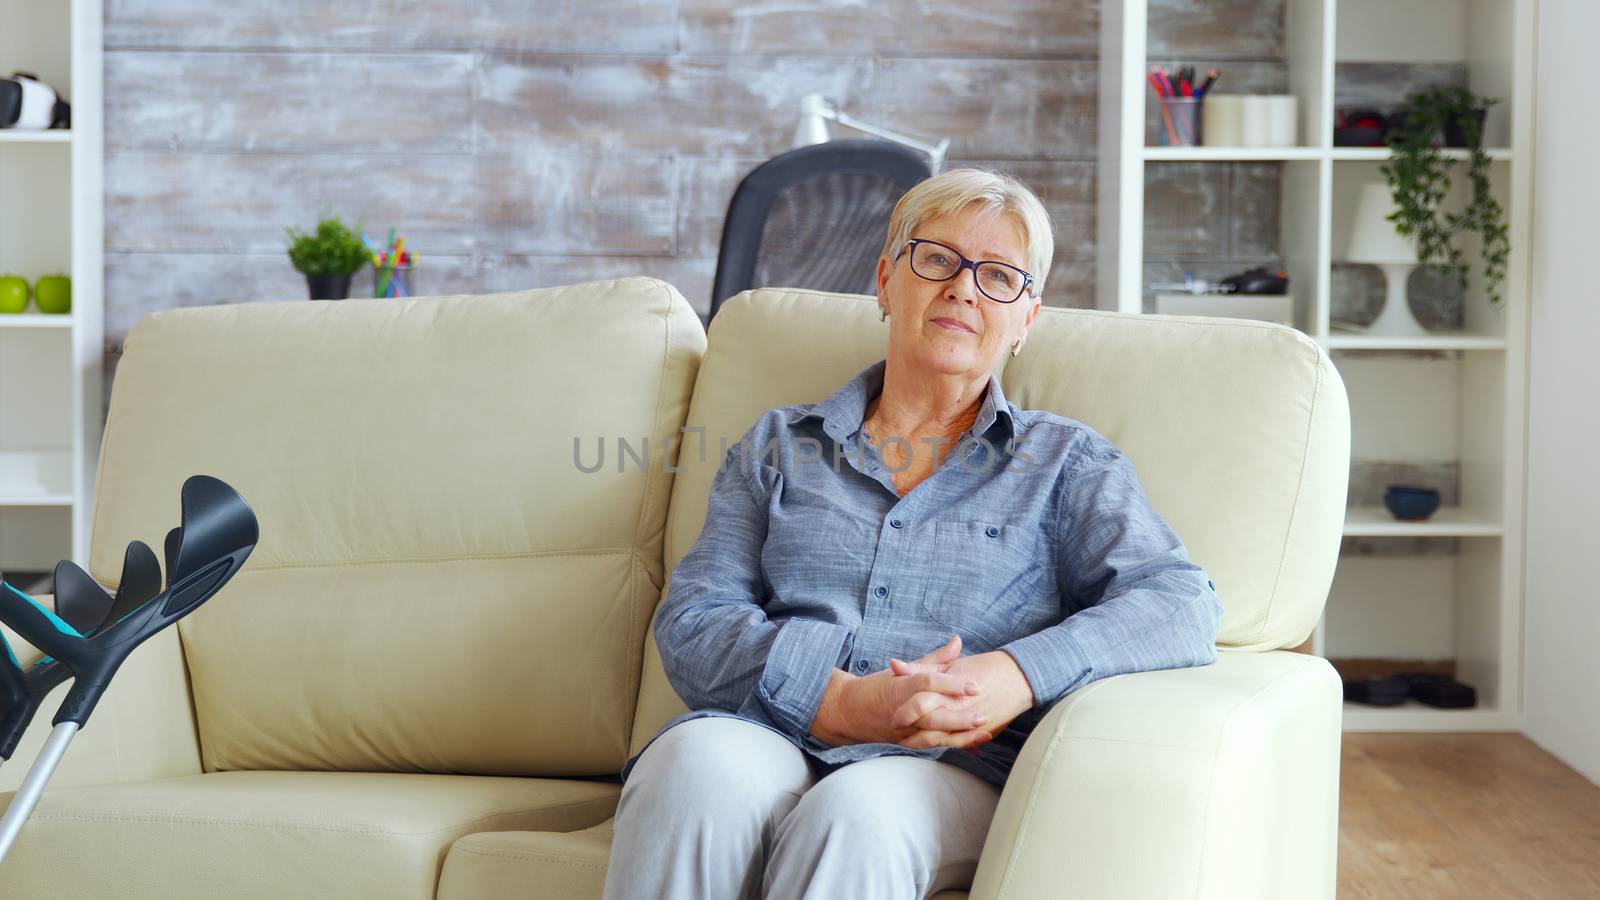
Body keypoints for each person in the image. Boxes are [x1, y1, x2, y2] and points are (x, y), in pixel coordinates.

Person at [602, 168, 1224, 900]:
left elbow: (1182, 603)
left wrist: (1014, 674)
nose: (963, 288)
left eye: (998, 277)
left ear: (1026, 319)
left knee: (854, 815)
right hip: (771, 731)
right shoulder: (776, 446)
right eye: (938, 260)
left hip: (949, 770)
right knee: (692, 767)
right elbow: (695, 622)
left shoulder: (1066, 464)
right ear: (886, 280)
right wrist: (835, 702)